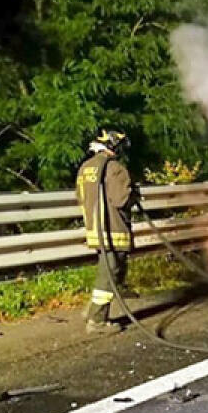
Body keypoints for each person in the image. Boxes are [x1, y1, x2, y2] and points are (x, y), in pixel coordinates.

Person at [76, 130, 140, 333]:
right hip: (113, 230)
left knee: (111, 270)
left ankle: (92, 310)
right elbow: (121, 199)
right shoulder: (114, 168)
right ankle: (97, 320)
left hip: (95, 228)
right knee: (110, 272)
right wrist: (133, 193)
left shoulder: (86, 167)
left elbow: (80, 196)